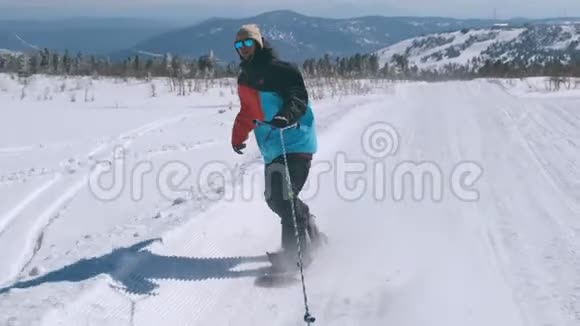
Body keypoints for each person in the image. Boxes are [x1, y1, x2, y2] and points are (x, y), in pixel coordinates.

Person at [230, 24, 325, 269]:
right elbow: (248, 112)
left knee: (282, 197)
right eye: (238, 45)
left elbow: (297, 98)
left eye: (247, 43)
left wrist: (286, 116)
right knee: (275, 199)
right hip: (273, 145)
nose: (243, 49)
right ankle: (305, 221)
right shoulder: (245, 78)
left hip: (295, 139)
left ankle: (295, 258)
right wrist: (238, 135)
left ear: (258, 43)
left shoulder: (282, 70)